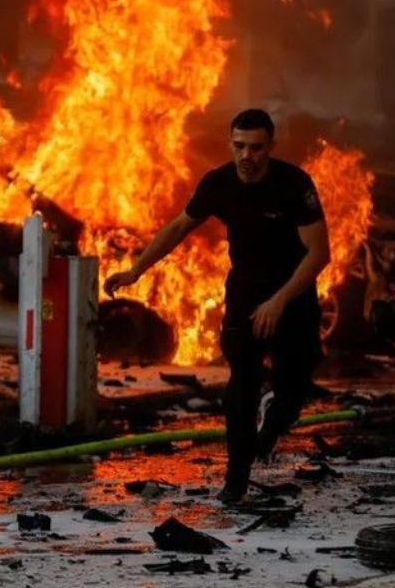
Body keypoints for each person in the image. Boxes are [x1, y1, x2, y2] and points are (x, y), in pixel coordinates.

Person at [103, 108, 331, 504]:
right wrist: (136, 270)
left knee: (294, 388)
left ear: (270, 147)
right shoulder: (219, 183)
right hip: (245, 292)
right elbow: (179, 226)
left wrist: (279, 302)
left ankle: (274, 420)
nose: (247, 156)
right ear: (231, 143)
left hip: (292, 294)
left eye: (256, 148)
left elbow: (319, 253)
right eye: (239, 146)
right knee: (241, 386)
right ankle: (236, 479)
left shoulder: (293, 184)